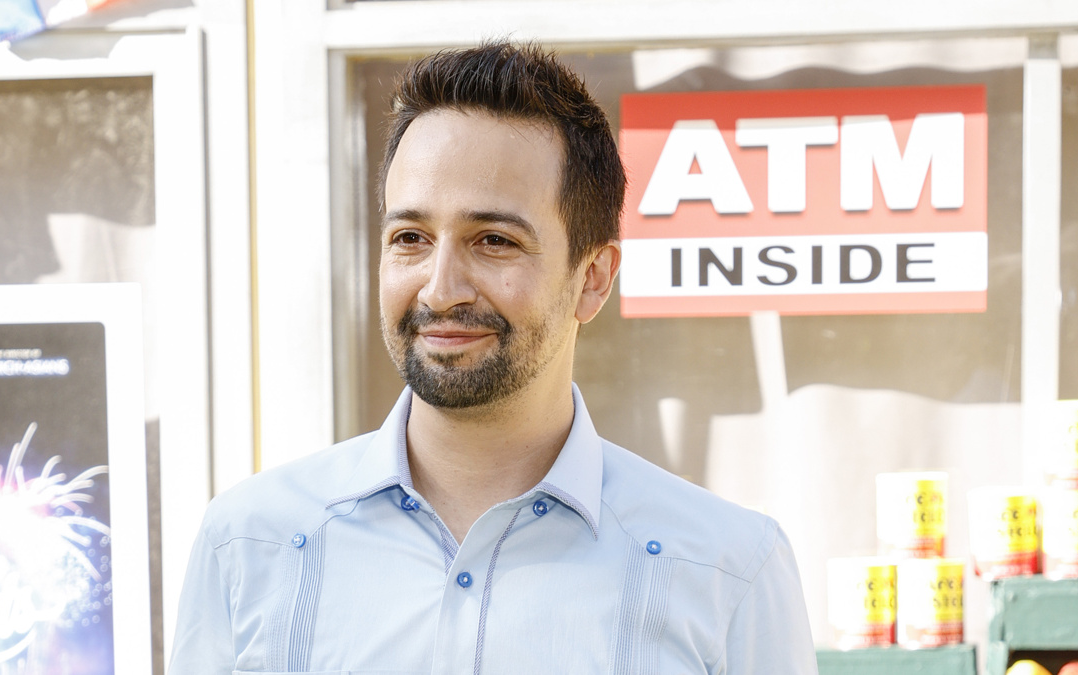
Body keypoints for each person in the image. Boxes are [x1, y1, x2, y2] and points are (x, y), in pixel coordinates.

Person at [170, 40, 817, 674]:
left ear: (592, 277)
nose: (440, 287)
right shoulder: (249, 544)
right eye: (410, 237)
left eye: (494, 240)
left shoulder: (728, 570)